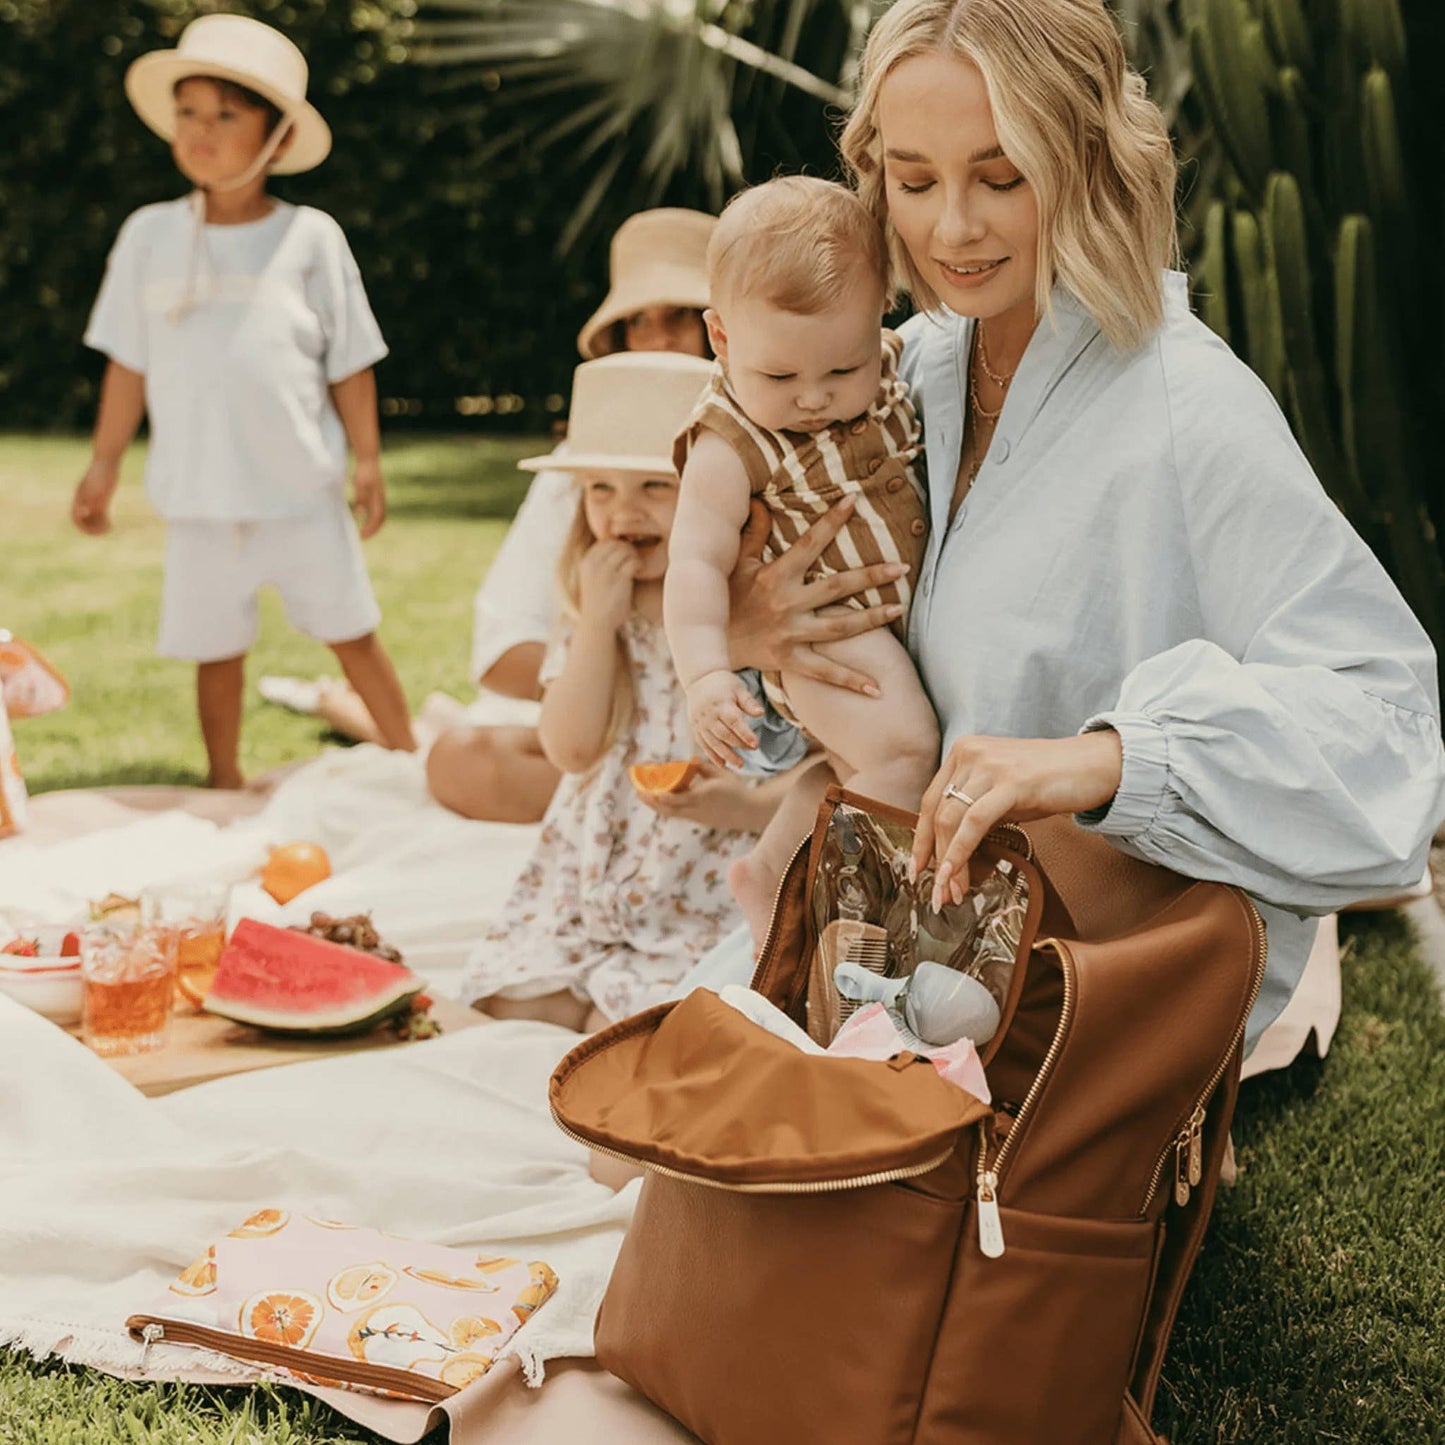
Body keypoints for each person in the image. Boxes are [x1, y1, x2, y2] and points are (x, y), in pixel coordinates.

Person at [700, 0, 1445, 1048]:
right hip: (881, 951)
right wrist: (749, 646)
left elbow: (1393, 738)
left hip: (1068, 996)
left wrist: (1108, 760)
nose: (951, 227)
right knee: (636, 1146)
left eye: (1000, 176)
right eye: (914, 182)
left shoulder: (1189, 408)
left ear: (1084, 158)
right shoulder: (903, 374)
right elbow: (811, 720)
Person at [71, 15, 414, 789]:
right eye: (188, 112)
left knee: (351, 631)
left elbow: (351, 361)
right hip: (200, 496)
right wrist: (102, 466)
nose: (200, 130)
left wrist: (366, 461)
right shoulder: (148, 235)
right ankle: (223, 780)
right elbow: (127, 363)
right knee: (214, 644)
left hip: (300, 488)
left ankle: (413, 767)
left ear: (278, 136)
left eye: (226, 114)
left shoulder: (309, 237)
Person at [667, 177, 937, 952]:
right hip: (821, 627)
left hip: (868, 625)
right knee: (903, 749)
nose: (814, 398)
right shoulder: (728, 443)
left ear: (881, 313)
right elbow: (691, 562)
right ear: (720, 339)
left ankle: (770, 869)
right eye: (780, 377)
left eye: (841, 372)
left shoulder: (884, 365)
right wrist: (706, 675)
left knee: (842, 767)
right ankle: (850, 917)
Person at [459, 352, 755, 1031]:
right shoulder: (596, 602)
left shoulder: (739, 614)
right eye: (599, 489)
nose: (623, 512)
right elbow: (568, 745)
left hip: (696, 871)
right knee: (515, 1004)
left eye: (655, 486)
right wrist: (596, 621)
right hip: (589, 873)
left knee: (623, 1031)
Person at [425, 208, 736, 824]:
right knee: (458, 757)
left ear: (721, 331)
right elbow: (502, 651)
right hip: (606, 725)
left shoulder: (759, 452)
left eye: (680, 317)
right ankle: (639, 799)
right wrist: (612, 660)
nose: (661, 340)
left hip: (741, 747)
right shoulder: (587, 463)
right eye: (637, 324)